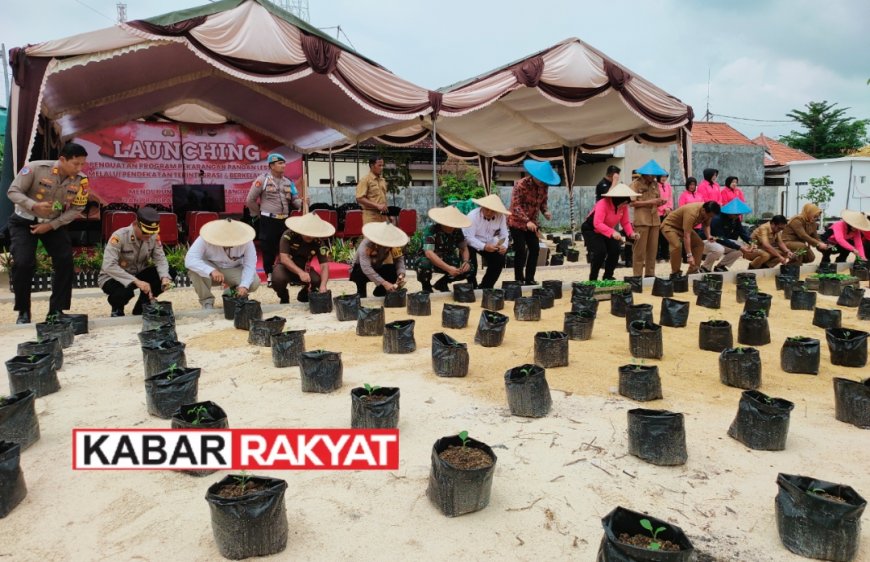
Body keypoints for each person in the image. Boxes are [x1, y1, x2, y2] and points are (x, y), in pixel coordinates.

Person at [6, 142, 89, 324]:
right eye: (76, 164)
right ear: (62, 159)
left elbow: (78, 207)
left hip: (52, 224)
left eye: (83, 164)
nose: (80, 168)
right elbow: (13, 191)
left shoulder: (81, 180)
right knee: (23, 263)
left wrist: (51, 225)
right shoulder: (36, 168)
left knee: (65, 260)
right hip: (23, 222)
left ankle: (56, 311)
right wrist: (33, 205)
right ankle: (23, 311)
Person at [98, 207, 174, 317]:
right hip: (114, 277)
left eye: (151, 233)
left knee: (171, 272)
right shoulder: (119, 236)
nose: (148, 236)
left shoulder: (153, 236)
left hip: (139, 272)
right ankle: (117, 307)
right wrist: (135, 281)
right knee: (125, 292)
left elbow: (160, 259)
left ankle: (143, 306)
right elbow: (108, 266)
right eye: (145, 232)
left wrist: (164, 277)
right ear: (136, 225)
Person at [246, 153, 303, 282]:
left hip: (285, 220)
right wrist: (258, 215)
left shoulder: (288, 182)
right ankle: (270, 275)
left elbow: (295, 200)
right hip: (269, 219)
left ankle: (289, 274)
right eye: (280, 163)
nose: (283, 166)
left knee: (288, 247)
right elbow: (250, 200)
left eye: (284, 163)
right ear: (271, 165)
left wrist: (303, 202)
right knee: (269, 249)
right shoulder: (262, 179)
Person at [184, 218, 260, 309]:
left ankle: (232, 292)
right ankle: (206, 301)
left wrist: (244, 285)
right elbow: (190, 259)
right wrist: (211, 270)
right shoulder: (205, 238)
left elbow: (250, 264)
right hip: (211, 267)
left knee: (254, 282)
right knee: (194, 270)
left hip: (233, 269)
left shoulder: (246, 240)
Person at [508, 160, 559, 285]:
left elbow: (543, 203)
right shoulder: (521, 185)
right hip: (517, 222)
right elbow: (515, 206)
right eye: (541, 180)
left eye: (544, 181)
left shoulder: (544, 187)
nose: (542, 183)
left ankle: (530, 278)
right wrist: (526, 221)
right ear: (535, 176)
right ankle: (519, 279)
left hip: (532, 224)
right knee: (520, 250)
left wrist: (545, 211)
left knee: (535, 249)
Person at [270, 213, 334, 303]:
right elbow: (284, 258)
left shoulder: (318, 242)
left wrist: (323, 285)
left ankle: (303, 295)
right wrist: (300, 273)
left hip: (304, 267)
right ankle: (284, 296)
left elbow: (324, 266)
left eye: (312, 233)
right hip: (285, 266)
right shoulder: (288, 235)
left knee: (317, 281)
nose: (309, 236)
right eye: (306, 232)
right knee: (277, 279)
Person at [581, 183, 640, 280]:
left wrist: (631, 234)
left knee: (615, 250)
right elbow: (597, 223)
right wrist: (612, 232)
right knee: (600, 252)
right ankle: (593, 278)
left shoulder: (623, 206)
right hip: (592, 230)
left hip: (607, 229)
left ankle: (608, 276)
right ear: (618, 199)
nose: (625, 206)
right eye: (624, 203)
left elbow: (625, 222)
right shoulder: (602, 204)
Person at [417, 206, 473, 293]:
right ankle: (426, 286)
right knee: (424, 264)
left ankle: (442, 283)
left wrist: (466, 261)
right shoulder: (431, 230)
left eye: (454, 225)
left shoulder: (457, 230)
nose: (452, 228)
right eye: (449, 224)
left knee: (469, 268)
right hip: (430, 259)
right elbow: (429, 253)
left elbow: (464, 248)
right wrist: (448, 268)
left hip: (447, 258)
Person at [462, 194, 510, 289]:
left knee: (499, 259)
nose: (489, 212)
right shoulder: (472, 216)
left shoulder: (501, 216)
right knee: (472, 264)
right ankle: (472, 285)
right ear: (482, 207)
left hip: (490, 242)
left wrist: (504, 246)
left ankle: (486, 286)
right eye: (487, 209)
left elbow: (504, 234)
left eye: (492, 211)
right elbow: (468, 238)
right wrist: (484, 246)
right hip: (472, 244)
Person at [350, 221, 408, 297]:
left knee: (391, 269)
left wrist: (401, 274)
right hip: (359, 270)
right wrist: (384, 283)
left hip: (376, 267)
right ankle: (361, 293)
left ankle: (380, 291)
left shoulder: (394, 244)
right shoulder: (366, 244)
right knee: (360, 271)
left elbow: (399, 261)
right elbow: (366, 268)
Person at [661, 201, 721, 275]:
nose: (709, 218)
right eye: (709, 216)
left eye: (711, 216)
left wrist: (708, 236)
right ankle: (675, 273)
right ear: (703, 210)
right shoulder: (691, 213)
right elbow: (687, 236)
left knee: (699, 244)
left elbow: (706, 225)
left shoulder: (709, 213)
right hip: (670, 226)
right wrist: (689, 256)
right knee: (677, 246)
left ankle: (693, 271)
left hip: (683, 227)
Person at [630, 160, 667, 278]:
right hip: (642, 220)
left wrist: (660, 202)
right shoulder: (635, 184)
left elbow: (656, 199)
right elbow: (632, 203)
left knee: (652, 250)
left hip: (654, 220)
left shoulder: (655, 184)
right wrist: (651, 202)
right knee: (639, 250)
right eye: (652, 175)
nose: (654, 177)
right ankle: (637, 275)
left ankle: (650, 274)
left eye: (655, 175)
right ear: (645, 174)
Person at [700, 198, 754, 272]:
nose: (737, 216)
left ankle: (721, 266)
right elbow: (720, 238)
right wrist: (739, 247)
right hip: (706, 241)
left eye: (739, 214)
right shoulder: (717, 218)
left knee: (742, 247)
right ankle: (705, 267)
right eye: (736, 214)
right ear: (729, 212)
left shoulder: (735, 218)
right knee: (720, 249)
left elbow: (742, 232)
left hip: (719, 241)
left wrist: (752, 242)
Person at [355, 157, 389, 224]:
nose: (382, 168)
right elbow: (359, 198)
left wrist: (388, 213)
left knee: (383, 234)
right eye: (379, 165)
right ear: (372, 166)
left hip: (383, 215)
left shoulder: (382, 180)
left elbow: (383, 198)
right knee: (372, 234)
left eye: (382, 165)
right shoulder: (365, 180)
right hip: (371, 216)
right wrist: (377, 206)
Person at [656, 172, 674, 261]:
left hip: (667, 213)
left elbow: (670, 198)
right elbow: (656, 199)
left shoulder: (668, 186)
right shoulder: (655, 186)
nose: (663, 178)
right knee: (658, 235)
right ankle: (658, 255)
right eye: (662, 176)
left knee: (666, 233)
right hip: (658, 213)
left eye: (665, 176)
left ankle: (665, 254)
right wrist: (663, 208)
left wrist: (669, 208)